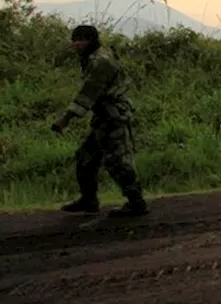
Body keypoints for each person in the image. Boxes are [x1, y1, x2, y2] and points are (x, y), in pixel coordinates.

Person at [52, 25, 149, 217]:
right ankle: (89, 200)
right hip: (104, 116)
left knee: (117, 161)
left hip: (113, 116)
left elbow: (87, 94)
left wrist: (65, 120)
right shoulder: (94, 58)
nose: (76, 44)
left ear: (91, 41)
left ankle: (136, 202)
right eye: (75, 40)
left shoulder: (100, 62)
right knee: (86, 157)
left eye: (80, 40)